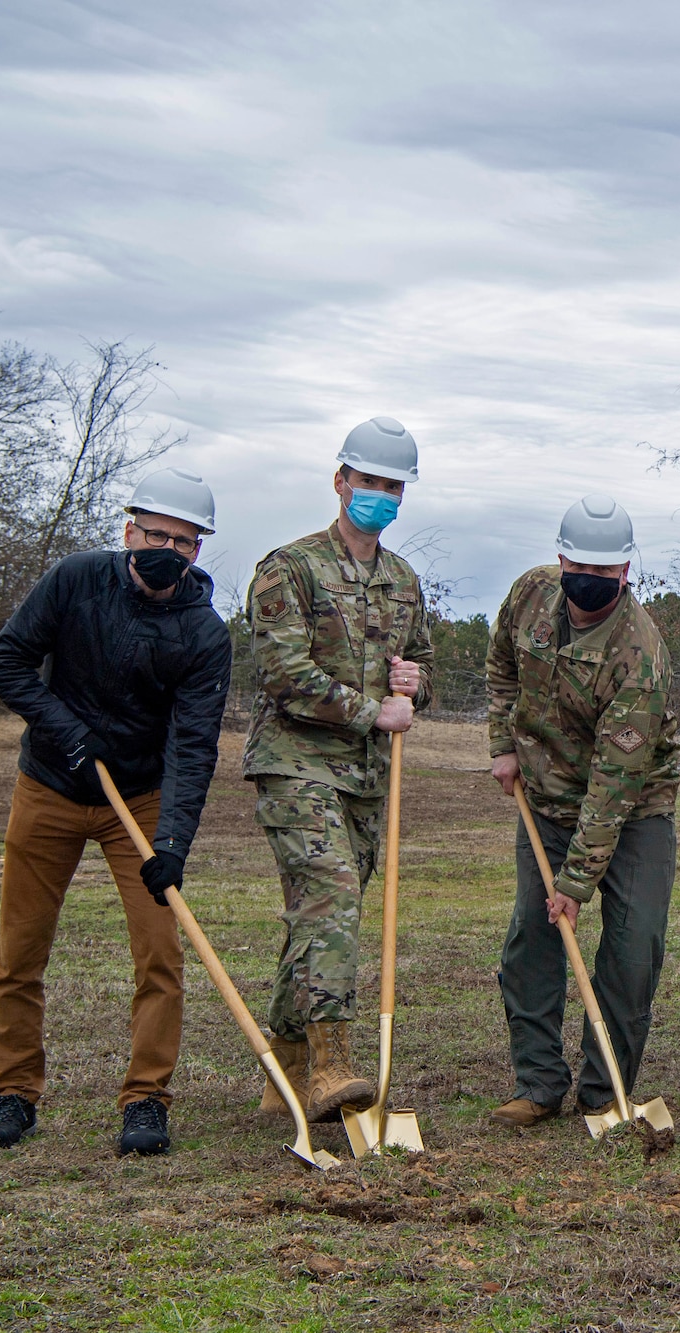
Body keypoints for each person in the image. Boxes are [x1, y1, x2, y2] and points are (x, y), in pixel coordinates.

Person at [0, 468, 231, 1156]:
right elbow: (7, 662)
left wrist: (171, 841)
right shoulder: (75, 579)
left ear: (196, 550)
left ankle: (146, 1098)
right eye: (155, 533)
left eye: (182, 539)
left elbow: (194, 744)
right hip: (51, 786)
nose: (166, 548)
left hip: (139, 802)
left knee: (159, 953)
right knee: (20, 951)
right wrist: (66, 732)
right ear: (129, 532)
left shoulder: (205, 634)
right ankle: (13, 1091)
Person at [244, 417, 433, 1123]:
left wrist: (417, 684)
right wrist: (369, 711)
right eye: (370, 481)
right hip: (295, 763)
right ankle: (331, 1065)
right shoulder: (288, 568)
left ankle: (281, 1072)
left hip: (365, 777)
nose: (380, 495)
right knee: (330, 895)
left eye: (393, 485)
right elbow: (283, 672)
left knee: (316, 915)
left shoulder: (402, 580)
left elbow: (426, 668)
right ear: (341, 480)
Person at [484, 494, 680, 1128]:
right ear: (561, 557)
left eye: (605, 572)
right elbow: (501, 667)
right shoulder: (529, 596)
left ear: (626, 572)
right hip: (543, 794)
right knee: (530, 942)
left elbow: (614, 784)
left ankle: (605, 1093)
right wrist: (502, 744)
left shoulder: (640, 653)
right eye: (579, 566)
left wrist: (575, 883)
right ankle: (538, 1084)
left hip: (632, 808)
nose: (589, 581)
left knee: (633, 948)